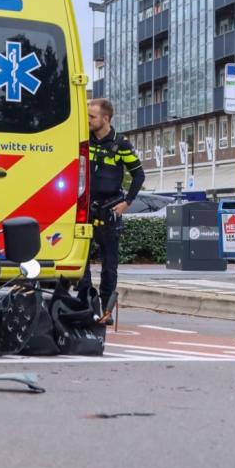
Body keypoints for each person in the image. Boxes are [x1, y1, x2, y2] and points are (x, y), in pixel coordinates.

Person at [79, 98, 145, 322]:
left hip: (109, 209)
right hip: (85, 208)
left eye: (92, 116)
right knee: (81, 263)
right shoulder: (83, 141)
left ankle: (106, 311)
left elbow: (139, 175)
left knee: (109, 266)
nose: (87, 120)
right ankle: (86, 306)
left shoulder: (120, 144)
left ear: (105, 119)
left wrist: (126, 202)